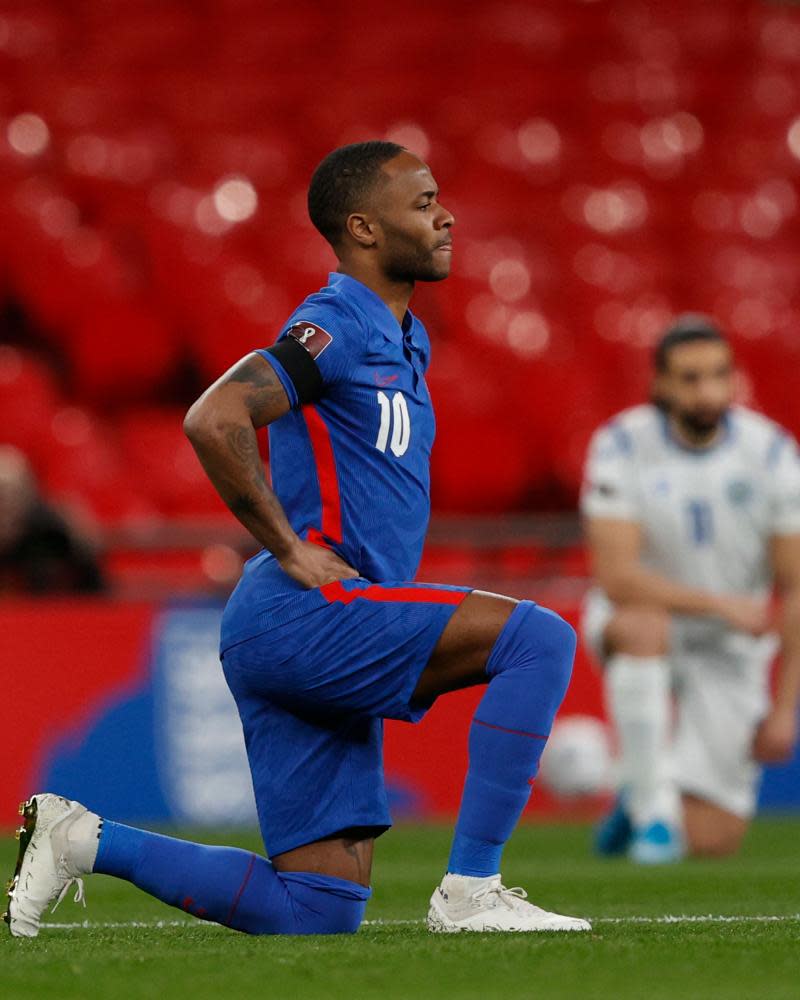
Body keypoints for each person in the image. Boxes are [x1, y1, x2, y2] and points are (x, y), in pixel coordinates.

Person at [6, 141, 590, 937]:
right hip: (308, 611)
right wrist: (286, 546)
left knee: (316, 910)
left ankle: (82, 839)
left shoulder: (405, 337)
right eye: (421, 203)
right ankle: (472, 889)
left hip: (298, 627)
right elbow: (215, 416)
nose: (444, 214)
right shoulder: (337, 321)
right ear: (364, 228)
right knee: (540, 640)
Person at [581, 315, 800, 863]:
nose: (708, 391)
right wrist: (722, 605)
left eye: (718, 375)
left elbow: (795, 586)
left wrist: (783, 709)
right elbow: (618, 577)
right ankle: (654, 811)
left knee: (711, 840)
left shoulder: (771, 453)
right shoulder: (620, 444)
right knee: (642, 626)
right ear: (661, 383)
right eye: (691, 378)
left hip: (729, 648)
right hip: (642, 617)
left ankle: (633, 791)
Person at [0, 445, 105, 595]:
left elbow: (96, 593)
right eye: (1, 493)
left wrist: (81, 542)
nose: (6, 501)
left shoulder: (55, 534)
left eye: (13, 491)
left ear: (30, 493)